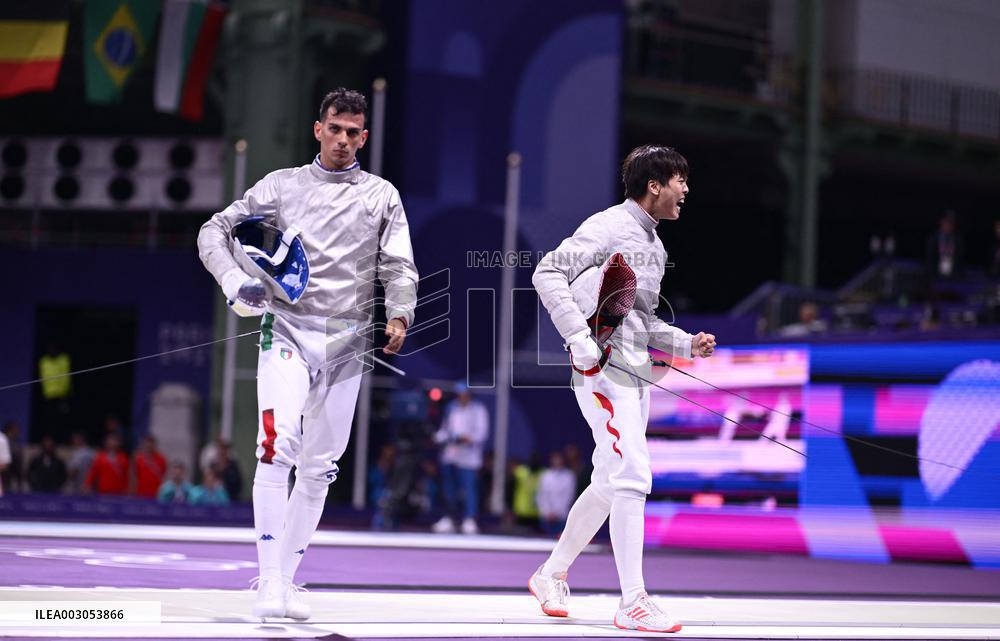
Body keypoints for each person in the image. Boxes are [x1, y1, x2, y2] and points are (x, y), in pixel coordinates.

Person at [197, 87, 417, 620]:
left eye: (352, 132)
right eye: (334, 129)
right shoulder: (282, 186)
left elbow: (399, 266)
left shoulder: (381, 195)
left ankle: (287, 581)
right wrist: (233, 281)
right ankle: (268, 580)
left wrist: (400, 313)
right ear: (318, 129)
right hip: (289, 330)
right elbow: (215, 230)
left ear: (364, 137)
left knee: (320, 468)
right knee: (277, 446)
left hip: (348, 338)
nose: (343, 140)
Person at [530, 145, 716, 633]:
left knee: (610, 480)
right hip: (602, 368)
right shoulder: (609, 225)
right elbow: (546, 272)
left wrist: (685, 342)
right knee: (634, 470)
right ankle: (633, 599)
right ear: (654, 184)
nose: (686, 190)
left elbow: (642, 320)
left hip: (635, 371)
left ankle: (550, 574)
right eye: (680, 180)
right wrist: (577, 337)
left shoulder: (655, 247)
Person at [431, 384, 490, 535]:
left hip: (469, 457)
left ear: (469, 394)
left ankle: (469, 520)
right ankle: (449, 518)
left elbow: (481, 433)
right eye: (459, 394)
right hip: (451, 454)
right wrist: (438, 437)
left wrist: (468, 438)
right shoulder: (451, 408)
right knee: (449, 489)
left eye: (464, 394)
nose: (461, 397)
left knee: (469, 489)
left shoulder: (478, 410)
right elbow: (445, 430)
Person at [537, 450, 577, 536]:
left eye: (559, 459)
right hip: (547, 517)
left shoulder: (568, 476)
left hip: (561, 516)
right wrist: (547, 512)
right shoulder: (546, 475)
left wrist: (557, 513)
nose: (557, 461)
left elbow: (569, 496)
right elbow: (542, 495)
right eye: (555, 459)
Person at [132, 435, 167, 499]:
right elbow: (135, 475)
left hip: (156, 493)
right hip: (141, 492)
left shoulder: (161, 459)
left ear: (154, 445)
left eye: (151, 443)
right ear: (144, 444)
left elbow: (163, 473)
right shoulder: (138, 458)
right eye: (147, 443)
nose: (149, 446)